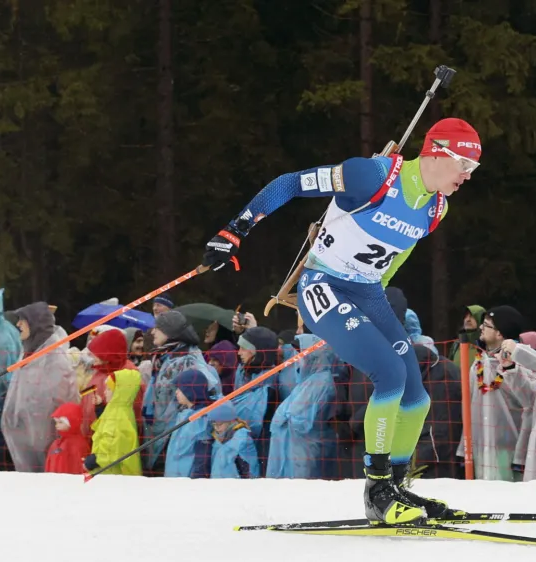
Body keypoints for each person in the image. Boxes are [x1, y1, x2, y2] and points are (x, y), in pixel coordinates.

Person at [201, 118, 481, 525]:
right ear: (437, 153)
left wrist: (379, 291)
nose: (467, 177)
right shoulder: (372, 177)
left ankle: (397, 487)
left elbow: (399, 252)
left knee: (416, 394)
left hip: (367, 291)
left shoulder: (437, 207)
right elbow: (291, 183)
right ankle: (377, 491)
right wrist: (234, 231)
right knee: (389, 374)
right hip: (325, 286)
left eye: (473, 170)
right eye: (464, 166)